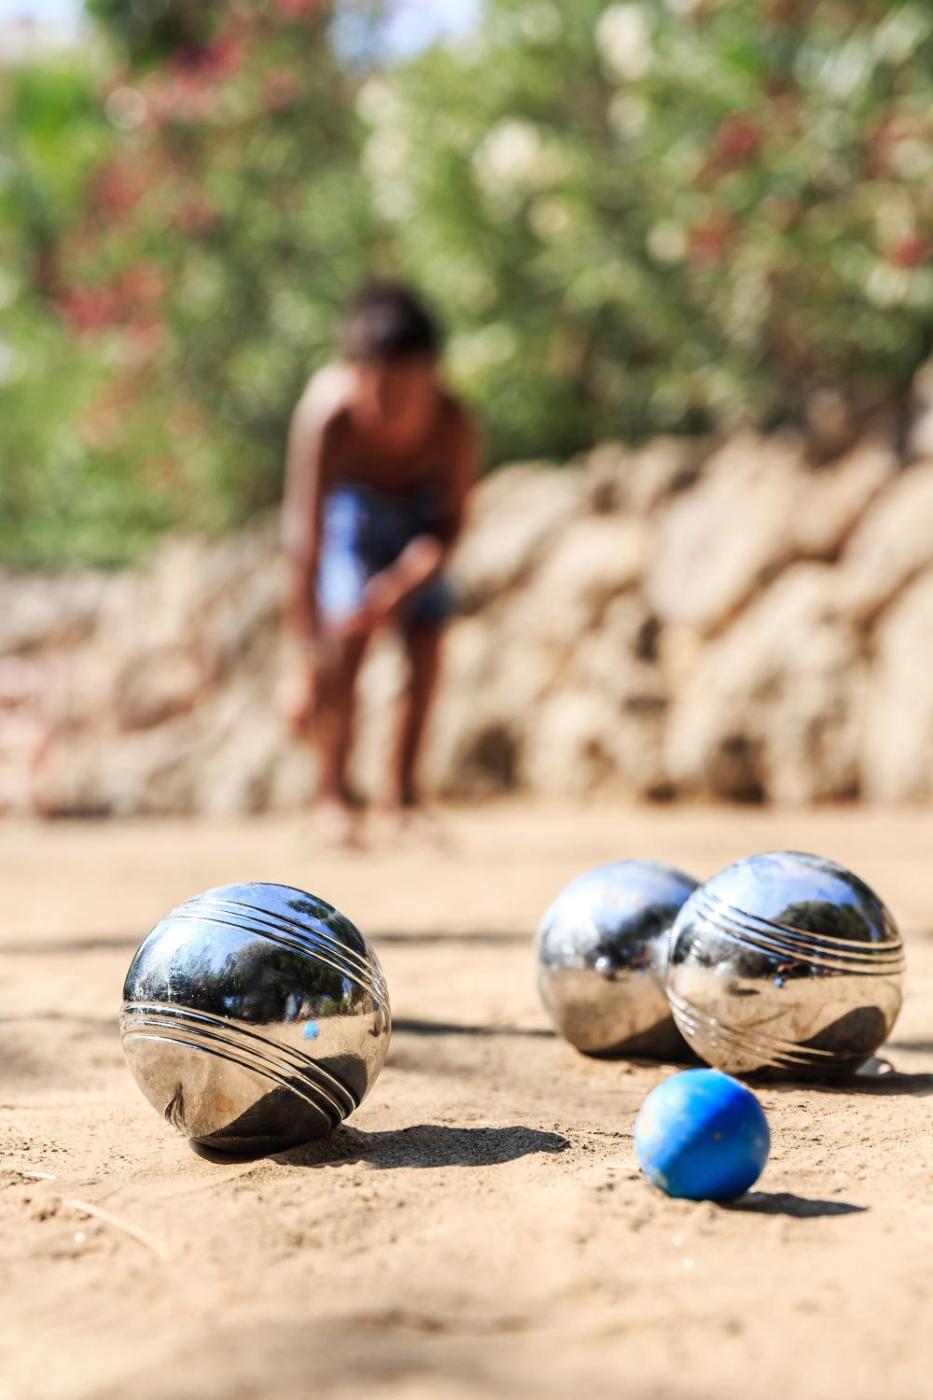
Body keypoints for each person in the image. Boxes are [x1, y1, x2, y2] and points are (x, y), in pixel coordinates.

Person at [281, 280, 478, 844]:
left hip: (420, 529)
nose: (392, 411)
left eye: (407, 394)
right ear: (354, 373)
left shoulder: (454, 423)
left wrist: (410, 576)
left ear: (433, 374)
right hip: (352, 516)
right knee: (345, 634)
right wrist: (301, 660)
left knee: (427, 642)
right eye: (380, 394)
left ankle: (403, 798)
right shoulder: (329, 417)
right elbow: (304, 539)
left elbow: (454, 523)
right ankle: (332, 796)